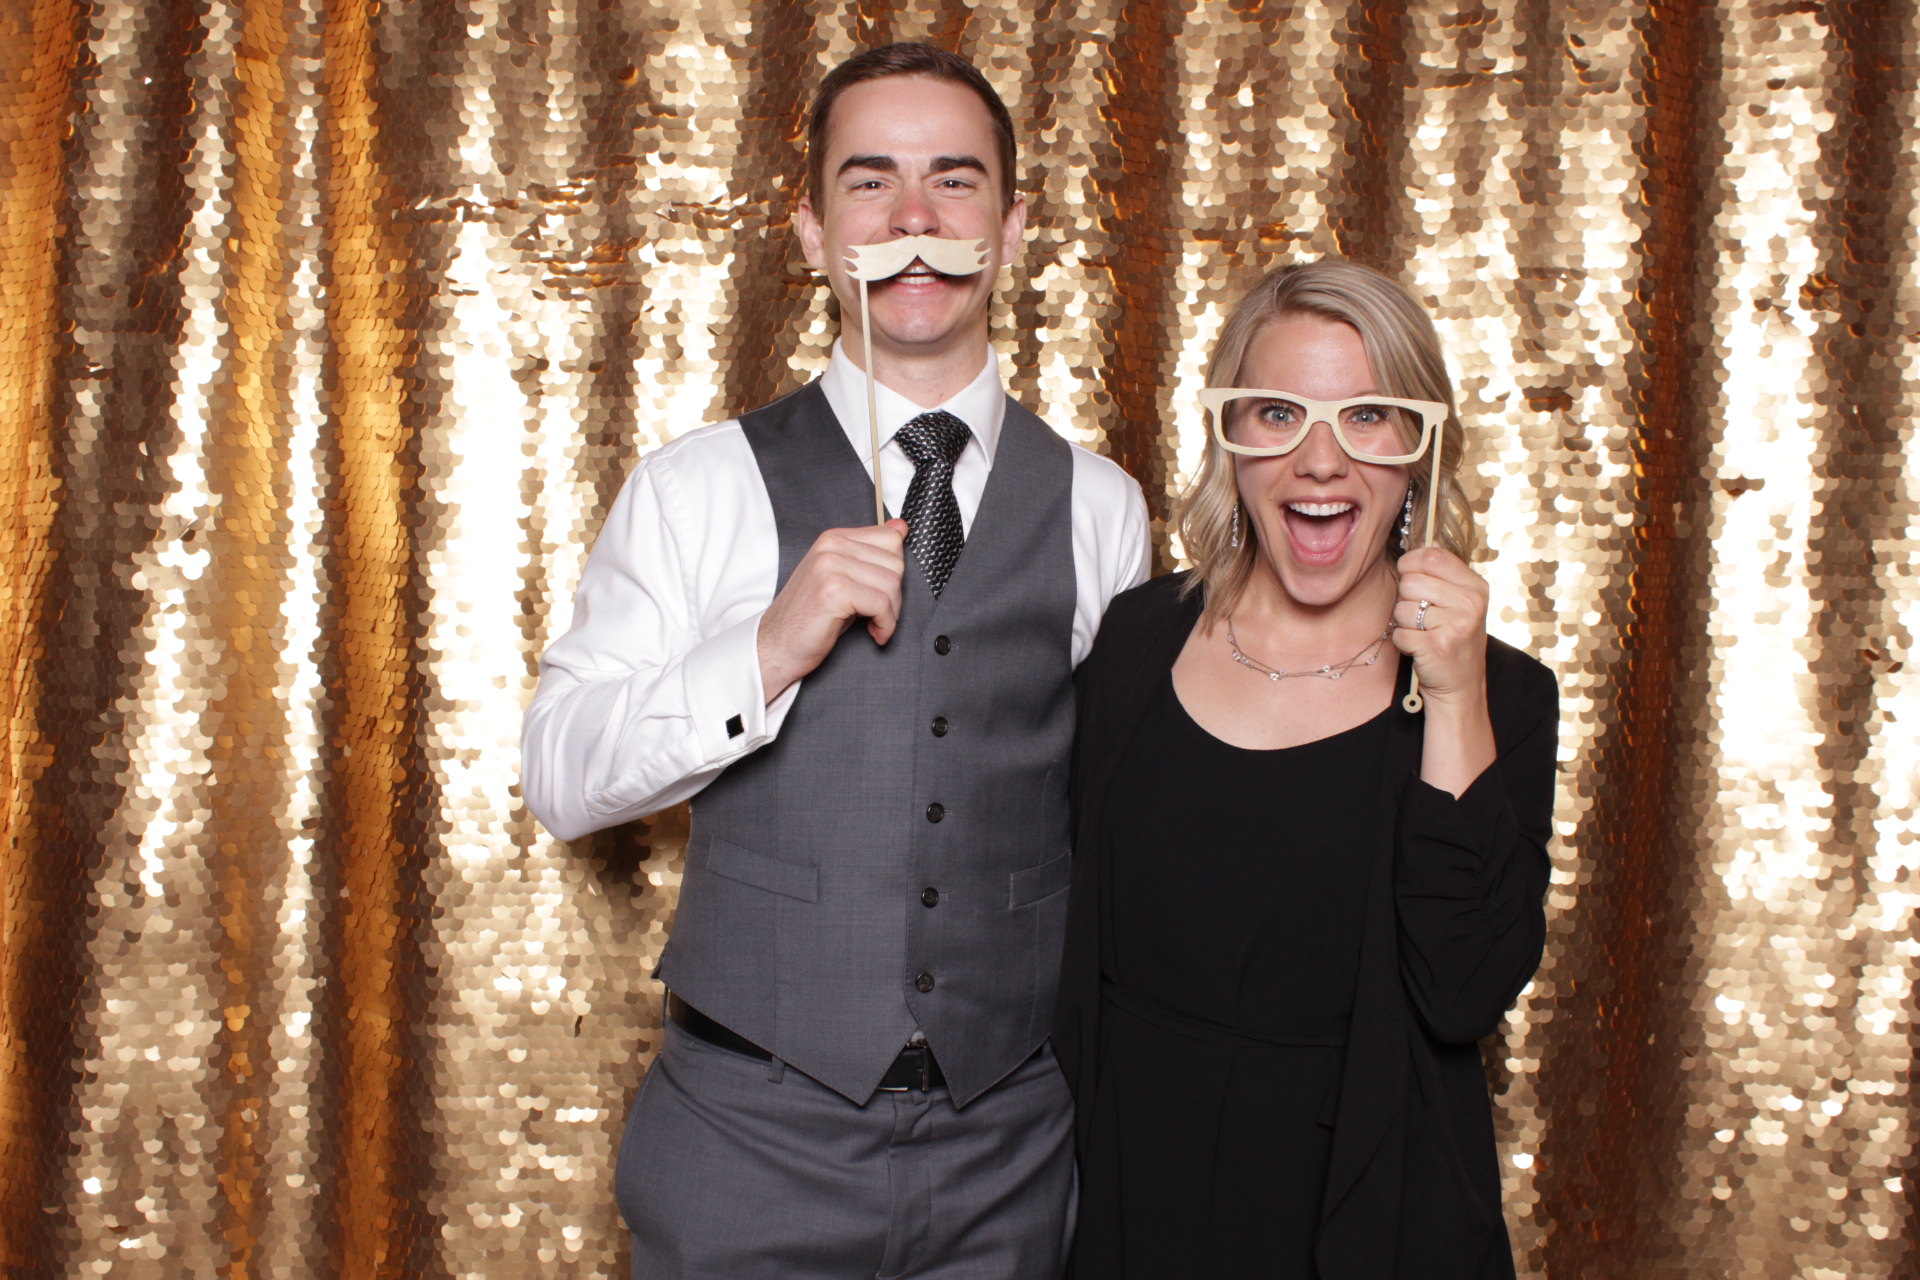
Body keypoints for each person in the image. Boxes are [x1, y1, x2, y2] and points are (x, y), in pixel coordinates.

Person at [522, 42, 1150, 1280]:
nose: (915, 219)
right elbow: (559, 773)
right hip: (749, 1140)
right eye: (871, 183)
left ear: (1013, 228)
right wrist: (765, 646)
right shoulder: (696, 487)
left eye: (954, 182)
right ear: (813, 231)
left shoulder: (1101, 509)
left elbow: (1121, 823)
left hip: (1007, 1151)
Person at [1053, 259, 1555, 1279]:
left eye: (1370, 416)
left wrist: (1452, 695)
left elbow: (1463, 990)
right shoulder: (1137, 637)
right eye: (1277, 412)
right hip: (1125, 1195)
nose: (1320, 461)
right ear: (1230, 441)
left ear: (1421, 450)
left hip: (1360, 1215)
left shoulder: (1501, 691)